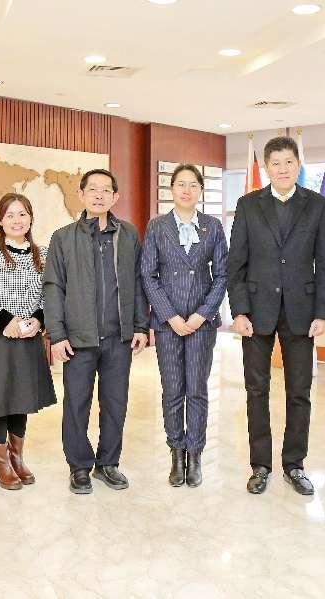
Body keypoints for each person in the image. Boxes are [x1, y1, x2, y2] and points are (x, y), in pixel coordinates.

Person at [227, 136, 325, 496]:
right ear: (266, 168)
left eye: (289, 162)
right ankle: (260, 465)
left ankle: (294, 464)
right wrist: (239, 310)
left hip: (302, 313)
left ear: (298, 165)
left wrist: (323, 312)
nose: (283, 169)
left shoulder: (317, 204)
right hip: (256, 312)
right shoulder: (248, 205)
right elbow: (236, 263)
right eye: (275, 163)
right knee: (256, 390)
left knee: (299, 392)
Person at [43, 169, 149, 495]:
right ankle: (79, 467)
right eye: (93, 189)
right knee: (77, 405)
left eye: (106, 190)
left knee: (115, 404)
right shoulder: (63, 238)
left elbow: (138, 282)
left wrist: (140, 325)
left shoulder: (128, 234)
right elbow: (53, 287)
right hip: (79, 339)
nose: (99, 195)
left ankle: (108, 463)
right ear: (81, 194)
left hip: (119, 337)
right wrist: (57, 335)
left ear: (115, 196)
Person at [0, 193, 57, 490]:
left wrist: (39, 320)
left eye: (23, 214)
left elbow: (50, 294)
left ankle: (17, 458)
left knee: (21, 399)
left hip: (29, 338)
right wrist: (7, 322)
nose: (17, 220)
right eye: (10, 215)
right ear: (0, 221)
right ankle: (1, 464)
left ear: (30, 219)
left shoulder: (43, 254)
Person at [141, 164, 227, 488]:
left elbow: (222, 274)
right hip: (169, 324)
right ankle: (176, 452)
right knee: (173, 389)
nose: (187, 190)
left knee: (197, 389)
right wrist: (170, 316)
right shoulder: (157, 226)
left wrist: (202, 314)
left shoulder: (212, 226)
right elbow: (148, 274)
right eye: (181, 184)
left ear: (200, 190)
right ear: (172, 189)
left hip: (202, 323)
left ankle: (196, 453)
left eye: (193, 185)